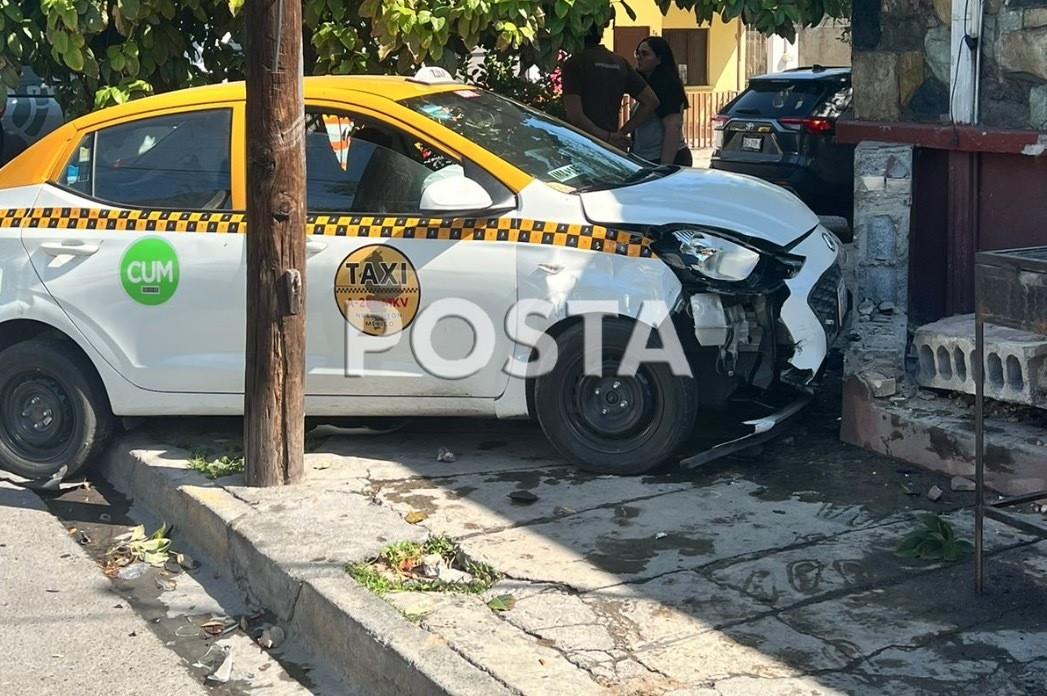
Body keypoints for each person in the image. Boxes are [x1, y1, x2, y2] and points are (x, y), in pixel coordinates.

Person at [561, 24, 659, 149]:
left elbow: (574, 115)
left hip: (581, 144)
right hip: (609, 148)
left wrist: (606, 137)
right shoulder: (619, 62)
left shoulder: (575, 63)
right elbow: (651, 101)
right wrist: (620, 134)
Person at [631, 37, 692, 166]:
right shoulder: (646, 87)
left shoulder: (668, 86)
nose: (639, 57)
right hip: (645, 159)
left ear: (659, 59)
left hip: (665, 160)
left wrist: (664, 167)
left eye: (645, 54)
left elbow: (673, 127)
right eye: (637, 53)